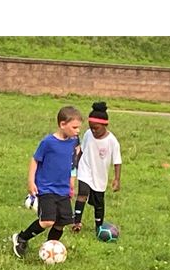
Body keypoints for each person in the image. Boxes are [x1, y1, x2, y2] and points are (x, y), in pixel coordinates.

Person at [12, 106, 83, 259]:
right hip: (46, 188)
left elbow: (72, 161)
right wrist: (31, 181)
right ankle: (21, 238)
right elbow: (35, 160)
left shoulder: (73, 141)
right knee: (48, 220)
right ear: (62, 124)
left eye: (79, 128)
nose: (77, 131)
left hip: (63, 189)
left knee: (61, 222)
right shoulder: (48, 142)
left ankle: (50, 250)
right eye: (74, 127)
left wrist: (72, 180)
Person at [73, 102, 122, 234]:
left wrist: (117, 179)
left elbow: (117, 161)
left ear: (105, 125)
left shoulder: (112, 141)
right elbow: (82, 150)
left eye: (96, 128)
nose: (93, 130)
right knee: (82, 193)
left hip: (100, 174)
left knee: (98, 202)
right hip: (85, 168)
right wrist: (75, 165)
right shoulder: (88, 134)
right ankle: (76, 222)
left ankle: (99, 227)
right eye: (91, 128)